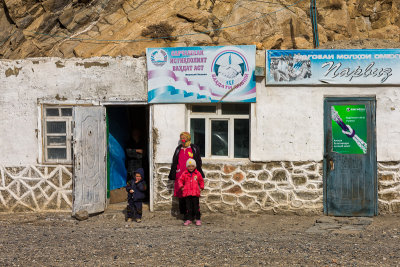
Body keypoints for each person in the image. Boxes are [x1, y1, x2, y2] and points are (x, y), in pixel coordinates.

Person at [168, 132, 204, 218]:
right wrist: (175, 172)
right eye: (181, 138)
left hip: (191, 175)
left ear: (188, 138)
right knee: (182, 195)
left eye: (184, 138)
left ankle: (194, 213)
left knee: (191, 195)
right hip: (180, 175)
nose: (182, 140)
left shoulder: (193, 148)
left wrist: (197, 173)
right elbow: (175, 161)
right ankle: (185, 214)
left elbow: (198, 161)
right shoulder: (178, 149)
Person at [177, 158, 204, 226]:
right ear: (187, 167)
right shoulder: (184, 173)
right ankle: (189, 219)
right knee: (188, 208)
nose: (191, 168)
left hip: (195, 193)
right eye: (189, 166)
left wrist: (201, 187)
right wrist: (181, 187)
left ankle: (198, 219)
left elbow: (201, 181)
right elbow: (180, 180)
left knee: (196, 207)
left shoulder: (197, 173)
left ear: (195, 166)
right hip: (187, 193)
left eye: (192, 166)